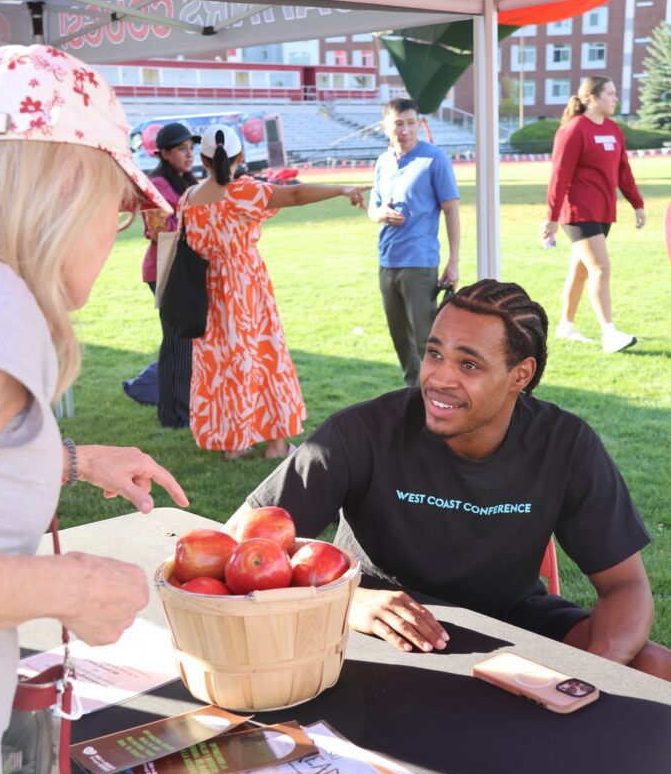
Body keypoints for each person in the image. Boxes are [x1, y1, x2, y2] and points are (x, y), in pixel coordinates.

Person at [0, 44, 190, 774]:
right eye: (117, 209)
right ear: (65, 183)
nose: (117, 235)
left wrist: (63, 457)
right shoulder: (0, 307)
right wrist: (66, 591)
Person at [231, 279, 671, 682]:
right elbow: (240, 542)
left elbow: (624, 586)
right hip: (382, 620)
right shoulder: (362, 432)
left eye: (469, 365)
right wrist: (344, 601)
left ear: (521, 374)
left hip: (508, 620)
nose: (440, 378)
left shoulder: (565, 444)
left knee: (654, 666)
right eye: (434, 353)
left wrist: (598, 676)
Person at [183, 123, 369, 460]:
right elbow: (295, 194)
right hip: (244, 286)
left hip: (207, 291)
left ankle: (234, 444)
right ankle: (276, 444)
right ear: (241, 155)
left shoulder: (189, 198)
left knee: (222, 365)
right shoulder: (242, 192)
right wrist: (343, 188)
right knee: (265, 358)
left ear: (203, 158)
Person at [540, 76, 645, 354]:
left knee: (581, 271)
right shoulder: (572, 130)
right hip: (577, 212)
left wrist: (637, 203)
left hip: (603, 211)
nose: (615, 98)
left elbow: (623, 170)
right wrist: (551, 217)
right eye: (610, 93)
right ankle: (609, 333)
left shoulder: (614, 129)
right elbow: (559, 176)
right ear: (592, 98)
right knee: (600, 268)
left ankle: (566, 325)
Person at [368, 97, 460, 386]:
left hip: (420, 262)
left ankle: (438, 400)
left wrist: (453, 262)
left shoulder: (434, 158)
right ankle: (413, 398)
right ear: (385, 127)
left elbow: (451, 210)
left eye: (411, 123)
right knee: (400, 340)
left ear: (419, 124)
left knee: (425, 341)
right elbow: (373, 209)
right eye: (398, 123)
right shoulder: (382, 162)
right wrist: (380, 214)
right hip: (387, 261)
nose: (405, 129)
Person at [140, 121, 200, 427]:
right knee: (178, 342)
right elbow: (157, 231)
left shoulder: (187, 179)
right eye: (181, 149)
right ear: (163, 153)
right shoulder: (156, 186)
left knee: (185, 341)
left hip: (184, 269)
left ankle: (182, 407)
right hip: (166, 270)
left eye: (191, 148)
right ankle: (174, 415)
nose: (189, 155)